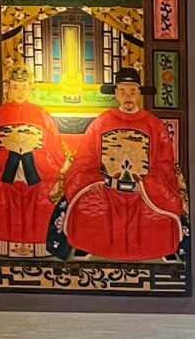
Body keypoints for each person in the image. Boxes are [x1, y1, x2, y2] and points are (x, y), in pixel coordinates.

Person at [60, 68, 187, 261]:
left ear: (139, 93)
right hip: (106, 188)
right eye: (123, 91)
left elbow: (164, 161)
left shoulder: (153, 125)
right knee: (90, 207)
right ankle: (86, 246)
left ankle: (162, 250)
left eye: (133, 91)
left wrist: (147, 183)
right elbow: (86, 157)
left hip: (144, 190)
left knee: (156, 217)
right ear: (116, 93)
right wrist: (97, 178)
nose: (128, 97)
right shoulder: (101, 122)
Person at [0, 64, 68, 258]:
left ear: (30, 88)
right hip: (3, 172)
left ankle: (40, 249)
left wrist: (30, 157)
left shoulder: (42, 115)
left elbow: (55, 152)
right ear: (8, 87)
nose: (19, 92)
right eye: (15, 87)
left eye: (23, 87)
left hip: (37, 171)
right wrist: (10, 156)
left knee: (43, 195)